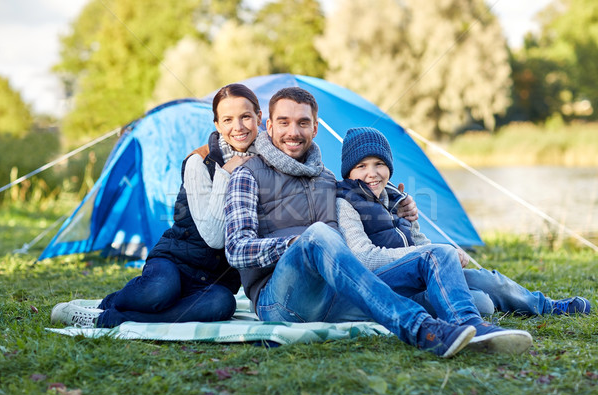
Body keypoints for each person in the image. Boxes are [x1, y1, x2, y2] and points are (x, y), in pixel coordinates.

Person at [224, 86, 532, 357]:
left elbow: (362, 201)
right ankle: (421, 330)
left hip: (335, 292)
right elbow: (236, 249)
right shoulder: (247, 175)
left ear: (315, 128)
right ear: (269, 125)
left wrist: (397, 206)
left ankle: (472, 326)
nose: (294, 131)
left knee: (437, 253)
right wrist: (298, 245)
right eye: (284, 122)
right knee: (318, 235)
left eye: (303, 122)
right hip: (280, 301)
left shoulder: (328, 179)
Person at [51, 83, 262, 328]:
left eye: (246, 116)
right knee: (159, 291)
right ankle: (106, 305)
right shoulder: (199, 162)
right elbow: (214, 238)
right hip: (175, 262)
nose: (237, 127)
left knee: (222, 305)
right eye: (228, 119)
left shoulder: (267, 164)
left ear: (258, 116)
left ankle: (109, 317)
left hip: (216, 280)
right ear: (217, 125)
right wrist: (225, 174)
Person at [336, 126, 591, 318]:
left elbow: (419, 240)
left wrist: (446, 254)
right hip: (392, 287)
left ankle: (547, 305)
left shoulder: (396, 198)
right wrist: (431, 255)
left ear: (389, 167)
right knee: (482, 304)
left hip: (426, 271)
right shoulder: (346, 203)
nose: (372, 173)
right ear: (349, 172)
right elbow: (364, 257)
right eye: (362, 166)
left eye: (379, 163)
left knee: (490, 280)